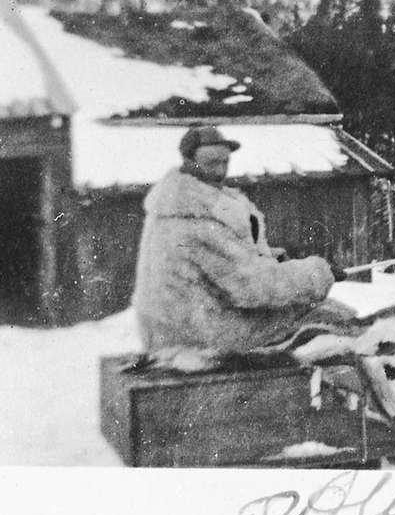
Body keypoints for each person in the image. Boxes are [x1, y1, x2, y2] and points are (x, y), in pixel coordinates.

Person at [132, 125, 353, 360]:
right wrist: (317, 274)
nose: (220, 171)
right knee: (330, 315)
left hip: (175, 329)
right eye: (210, 163)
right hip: (202, 336)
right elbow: (250, 287)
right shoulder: (195, 217)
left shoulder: (175, 203)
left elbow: (226, 266)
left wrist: (271, 260)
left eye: (224, 162)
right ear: (188, 162)